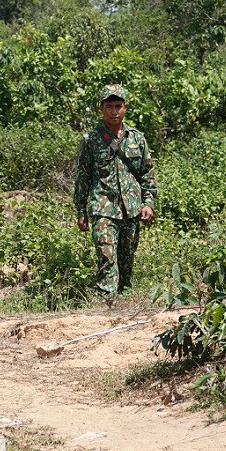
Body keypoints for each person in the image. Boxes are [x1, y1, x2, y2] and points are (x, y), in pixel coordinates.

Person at [74, 84, 158, 295]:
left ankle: (123, 301)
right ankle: (106, 301)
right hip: (103, 207)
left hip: (131, 208)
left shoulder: (137, 138)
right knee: (106, 256)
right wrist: (81, 211)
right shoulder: (91, 140)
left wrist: (148, 202)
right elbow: (83, 177)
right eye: (109, 106)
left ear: (125, 108)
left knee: (126, 259)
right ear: (101, 108)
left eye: (118, 106)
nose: (114, 111)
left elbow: (147, 173)